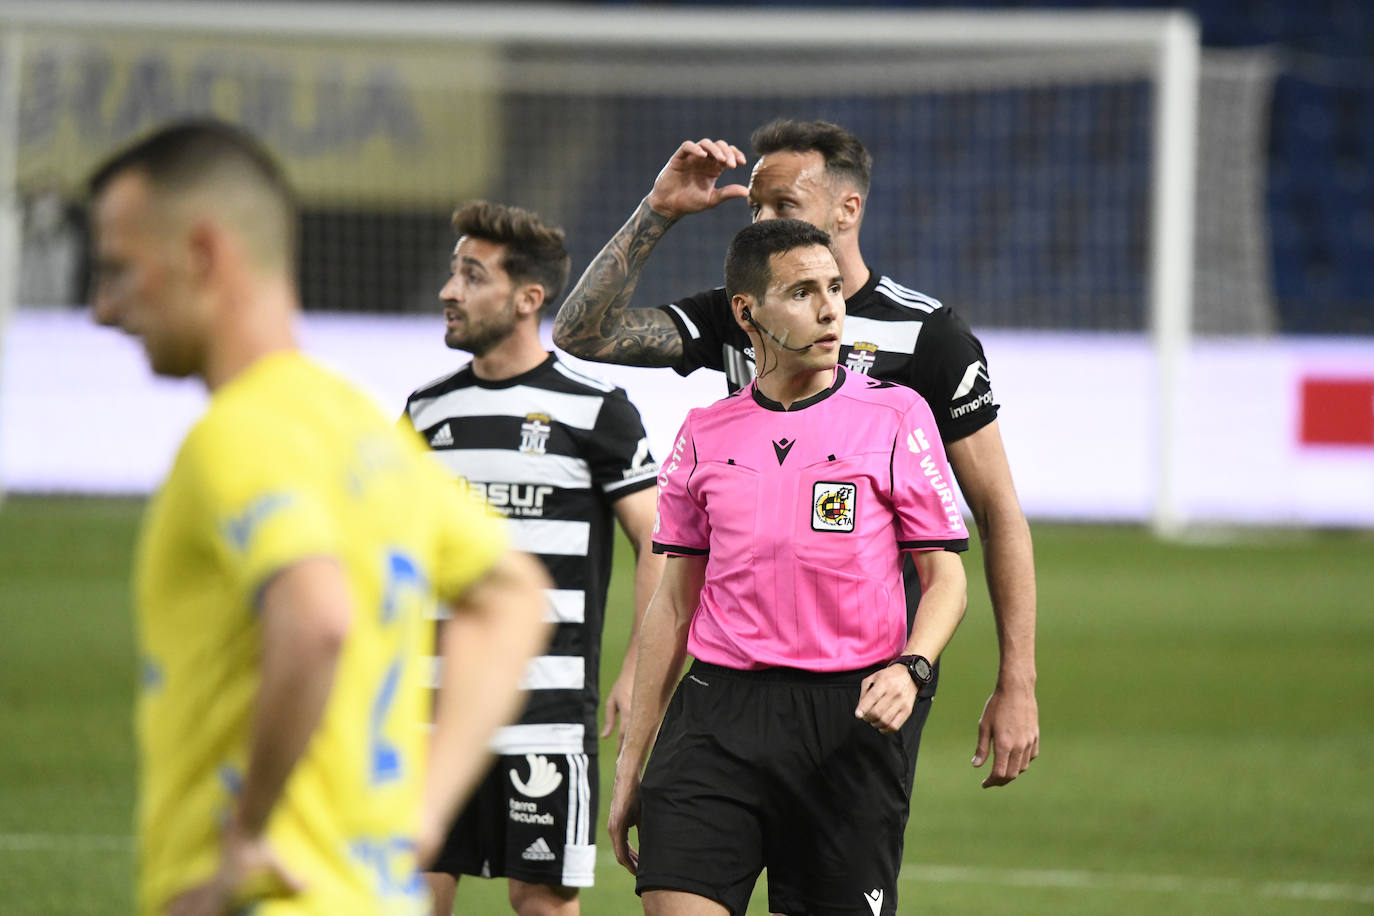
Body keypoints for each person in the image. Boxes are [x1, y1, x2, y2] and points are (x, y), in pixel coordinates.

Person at [87, 118, 551, 916]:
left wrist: (245, 833)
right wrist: (425, 810)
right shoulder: (363, 433)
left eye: (122, 270)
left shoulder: (236, 437)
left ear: (202, 253)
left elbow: (316, 616)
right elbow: (514, 596)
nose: (103, 308)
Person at [553, 119, 1038, 790]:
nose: (759, 219)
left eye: (783, 205)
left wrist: (1017, 680)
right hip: (735, 661)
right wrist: (658, 212)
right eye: (754, 204)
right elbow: (583, 334)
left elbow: (997, 511)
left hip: (864, 670)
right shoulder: (741, 313)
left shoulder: (929, 338)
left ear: (848, 208)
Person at [607, 219, 968, 916]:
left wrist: (913, 666)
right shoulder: (703, 433)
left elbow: (946, 576)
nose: (830, 307)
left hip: (845, 723)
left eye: (833, 288)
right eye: (802, 292)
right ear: (747, 312)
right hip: (715, 716)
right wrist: (632, 763)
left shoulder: (895, 416)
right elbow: (674, 603)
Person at [402, 200, 663, 916]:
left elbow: (661, 543)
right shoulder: (426, 413)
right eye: (454, 274)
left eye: (471, 276)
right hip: (432, 705)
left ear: (528, 297)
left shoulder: (596, 410)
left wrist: (636, 673)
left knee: (541, 902)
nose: (448, 292)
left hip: (545, 710)